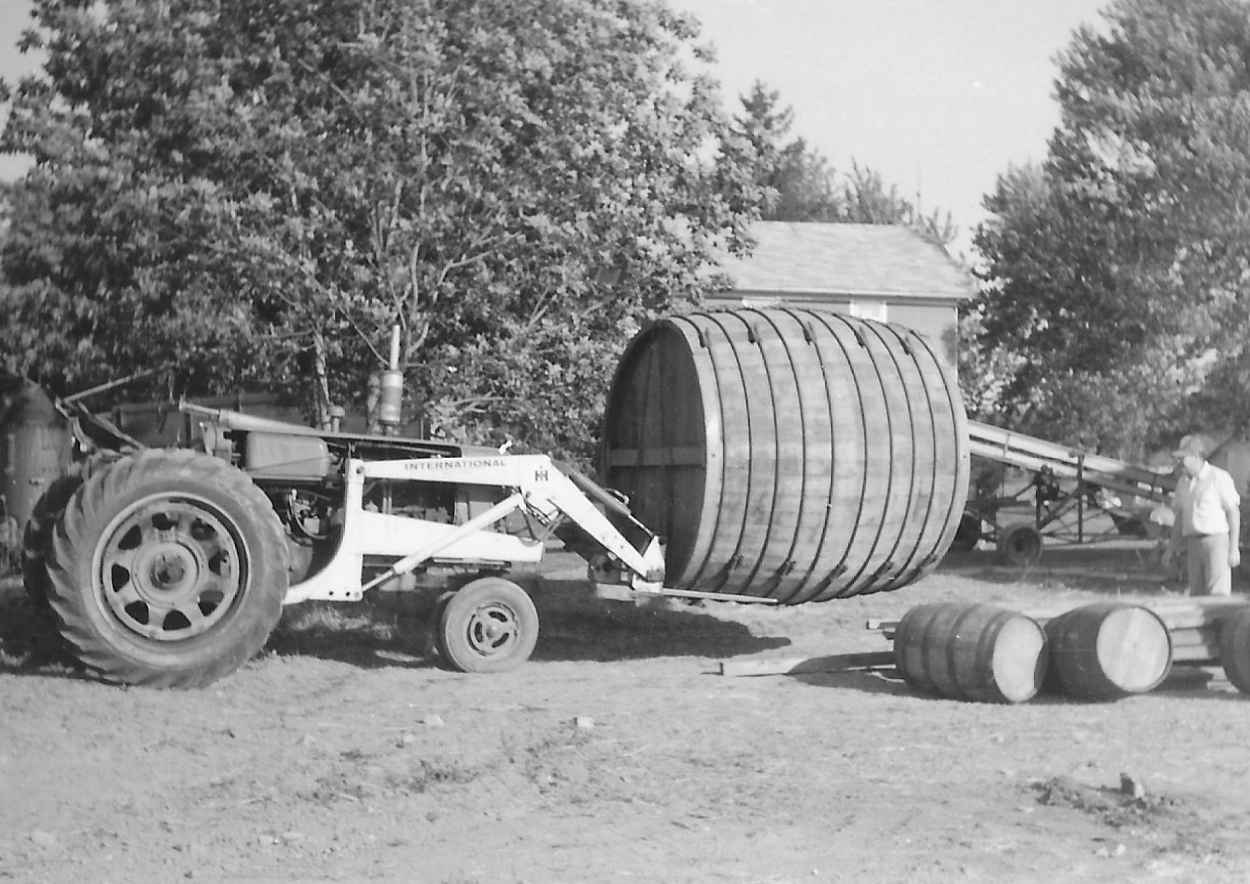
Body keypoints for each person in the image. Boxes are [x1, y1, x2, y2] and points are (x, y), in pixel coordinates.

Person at [1164, 434, 1241, 595]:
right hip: (1193, 543)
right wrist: (1171, 548)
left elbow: (1233, 512)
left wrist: (1234, 548)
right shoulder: (1183, 483)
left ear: (1195, 456)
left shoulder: (1218, 477)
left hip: (1216, 542)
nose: (1179, 462)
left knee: (1217, 594)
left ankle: (1220, 620)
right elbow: (1180, 517)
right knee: (1196, 594)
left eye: (1182, 458)